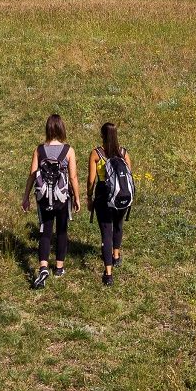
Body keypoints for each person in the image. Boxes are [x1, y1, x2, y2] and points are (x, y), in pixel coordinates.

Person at [21, 114, 81, 289]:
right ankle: (59, 267)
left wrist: (25, 197)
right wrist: (77, 197)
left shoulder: (39, 150)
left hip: (44, 197)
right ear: (62, 129)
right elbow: (73, 176)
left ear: (47, 129)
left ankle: (43, 266)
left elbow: (32, 175)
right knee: (61, 231)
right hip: (62, 198)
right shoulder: (68, 150)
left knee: (45, 232)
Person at [87, 122, 131, 286]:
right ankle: (116, 255)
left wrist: (89, 197)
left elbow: (91, 180)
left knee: (106, 232)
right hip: (121, 197)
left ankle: (108, 273)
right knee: (118, 225)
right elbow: (129, 178)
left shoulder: (97, 154)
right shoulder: (124, 153)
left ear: (102, 135)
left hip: (104, 196)